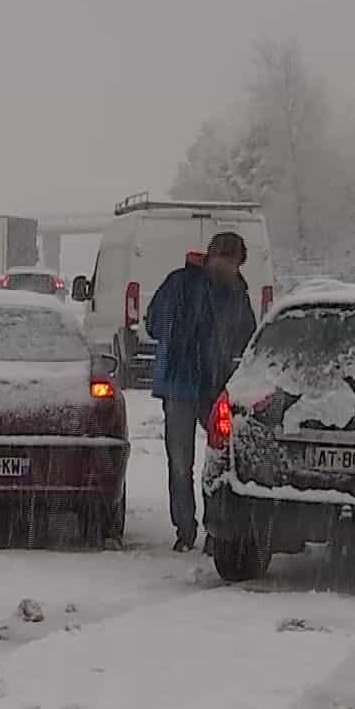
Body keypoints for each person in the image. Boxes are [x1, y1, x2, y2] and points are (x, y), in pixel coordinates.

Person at [145, 231, 257, 552]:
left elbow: (247, 339)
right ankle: (184, 530)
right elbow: (155, 323)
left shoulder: (237, 294)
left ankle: (216, 528)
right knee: (181, 464)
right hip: (180, 385)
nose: (228, 269)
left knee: (220, 461)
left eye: (234, 264)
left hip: (217, 388)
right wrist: (183, 335)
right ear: (211, 256)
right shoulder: (180, 283)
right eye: (225, 261)